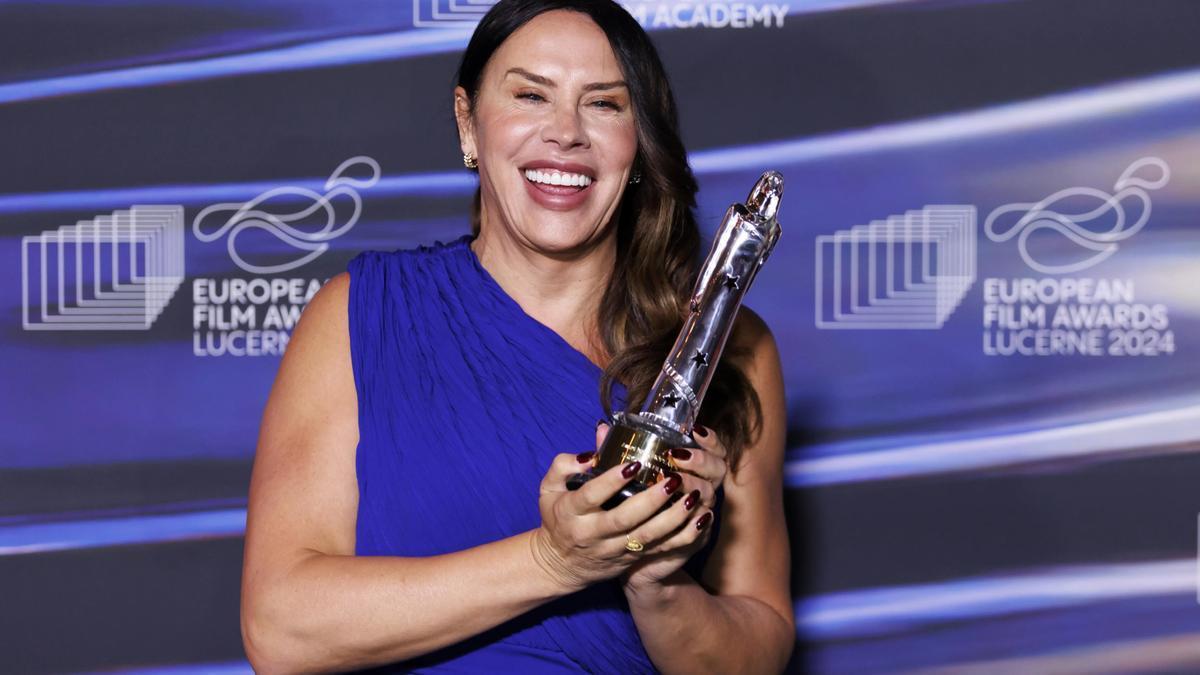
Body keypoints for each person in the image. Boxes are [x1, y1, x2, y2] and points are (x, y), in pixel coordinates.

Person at [240, 1, 794, 672]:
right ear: (467, 123)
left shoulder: (730, 348)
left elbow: (754, 657)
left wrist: (658, 581)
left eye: (604, 104)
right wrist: (555, 560)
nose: (565, 133)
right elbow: (280, 629)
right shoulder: (362, 313)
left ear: (639, 144)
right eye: (531, 95)